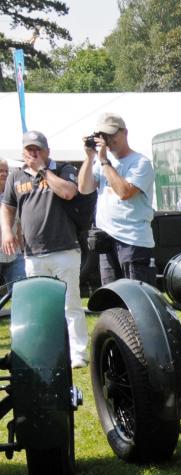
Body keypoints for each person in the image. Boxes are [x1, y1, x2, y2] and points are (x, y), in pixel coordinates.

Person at [3, 130, 88, 365]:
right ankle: (49, 354)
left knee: (71, 303)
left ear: (47, 151)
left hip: (64, 249)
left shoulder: (63, 169)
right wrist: (7, 231)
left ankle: (78, 353)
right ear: (23, 152)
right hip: (33, 253)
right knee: (42, 308)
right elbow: (7, 205)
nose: (34, 153)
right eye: (29, 149)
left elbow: (69, 192)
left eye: (38, 149)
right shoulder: (16, 176)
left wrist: (43, 170)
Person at [76, 113, 157, 286]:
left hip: (133, 241)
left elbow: (124, 193)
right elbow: (84, 188)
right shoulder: (101, 162)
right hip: (106, 239)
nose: (108, 140)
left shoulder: (140, 162)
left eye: (112, 134)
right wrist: (90, 158)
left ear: (125, 133)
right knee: (112, 297)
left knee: (137, 299)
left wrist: (104, 161)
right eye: (103, 136)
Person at [0, 159, 23, 289]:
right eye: (0, 171)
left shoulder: (13, 195)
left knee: (21, 290)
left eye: (6, 171)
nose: (4, 174)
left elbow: (18, 223)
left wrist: (22, 246)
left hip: (14, 252)